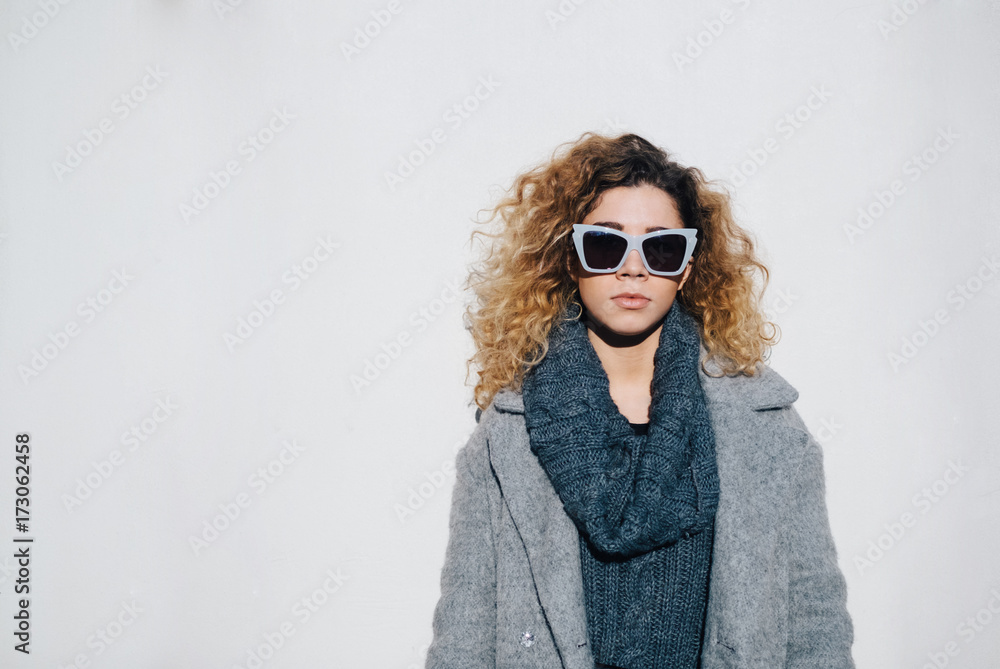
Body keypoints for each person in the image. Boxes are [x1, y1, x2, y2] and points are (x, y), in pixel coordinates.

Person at [424, 132, 855, 669]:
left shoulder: (766, 427)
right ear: (570, 258)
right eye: (605, 244)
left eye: (661, 246)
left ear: (688, 267)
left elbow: (815, 621)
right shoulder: (508, 433)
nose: (633, 268)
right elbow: (465, 633)